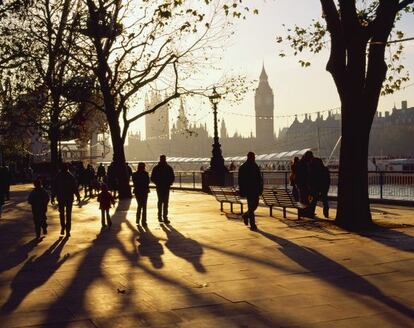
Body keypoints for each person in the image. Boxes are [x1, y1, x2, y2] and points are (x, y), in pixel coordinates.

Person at [51, 163, 81, 237]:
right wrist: (78, 196)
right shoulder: (70, 176)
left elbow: (55, 187)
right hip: (69, 198)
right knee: (68, 215)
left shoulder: (58, 176)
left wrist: (52, 197)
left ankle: (63, 227)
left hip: (61, 197)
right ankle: (67, 230)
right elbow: (75, 188)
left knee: (62, 214)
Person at [238, 152, 263, 231]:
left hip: (252, 189)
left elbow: (240, 180)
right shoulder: (253, 166)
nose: (254, 158)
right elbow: (259, 178)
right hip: (251, 189)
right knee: (252, 206)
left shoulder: (243, 167)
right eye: (253, 157)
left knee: (254, 205)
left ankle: (246, 215)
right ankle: (253, 224)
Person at [151, 155, 175, 224]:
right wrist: (169, 183)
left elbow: (152, 177)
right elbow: (172, 177)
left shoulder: (156, 168)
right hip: (166, 187)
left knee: (160, 201)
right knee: (166, 202)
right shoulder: (169, 168)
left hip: (159, 186)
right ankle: (165, 217)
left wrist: (157, 183)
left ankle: (159, 216)